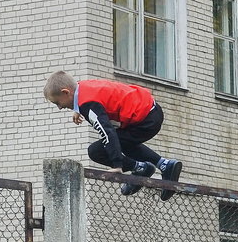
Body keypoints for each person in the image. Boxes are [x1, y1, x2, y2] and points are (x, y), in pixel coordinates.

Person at [43, 71, 183, 200]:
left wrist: (117, 165)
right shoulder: (82, 87)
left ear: (66, 92)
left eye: (57, 103)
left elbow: (106, 131)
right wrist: (77, 109)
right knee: (123, 141)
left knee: (96, 151)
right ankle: (163, 164)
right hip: (151, 110)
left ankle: (143, 167)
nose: (60, 107)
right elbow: (89, 95)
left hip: (145, 121)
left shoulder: (88, 104)